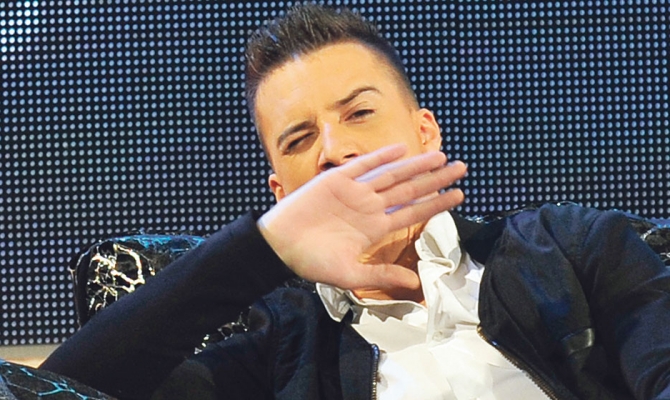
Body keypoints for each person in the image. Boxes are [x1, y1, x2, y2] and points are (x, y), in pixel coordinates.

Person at [40, 4, 670, 400]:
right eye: (298, 139)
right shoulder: (278, 349)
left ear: (425, 133)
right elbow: (57, 392)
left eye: (359, 113)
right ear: (281, 195)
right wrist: (261, 249)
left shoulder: (573, 248)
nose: (334, 151)